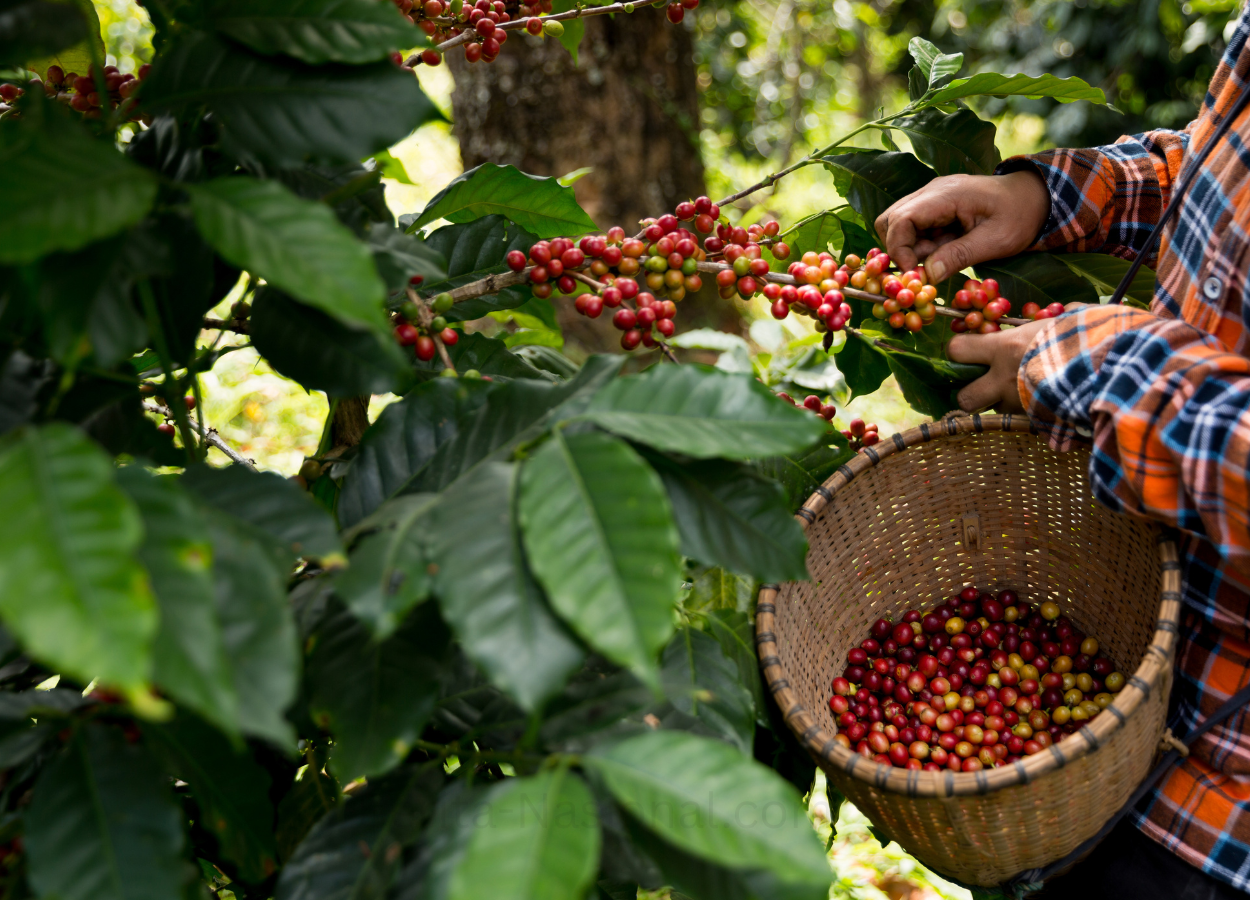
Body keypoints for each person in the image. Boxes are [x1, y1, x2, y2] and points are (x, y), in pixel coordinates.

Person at [875, 8, 1250, 899]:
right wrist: (1063, 195)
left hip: (1212, 810)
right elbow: (1221, 169)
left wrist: (1105, 365)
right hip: (1115, 684)